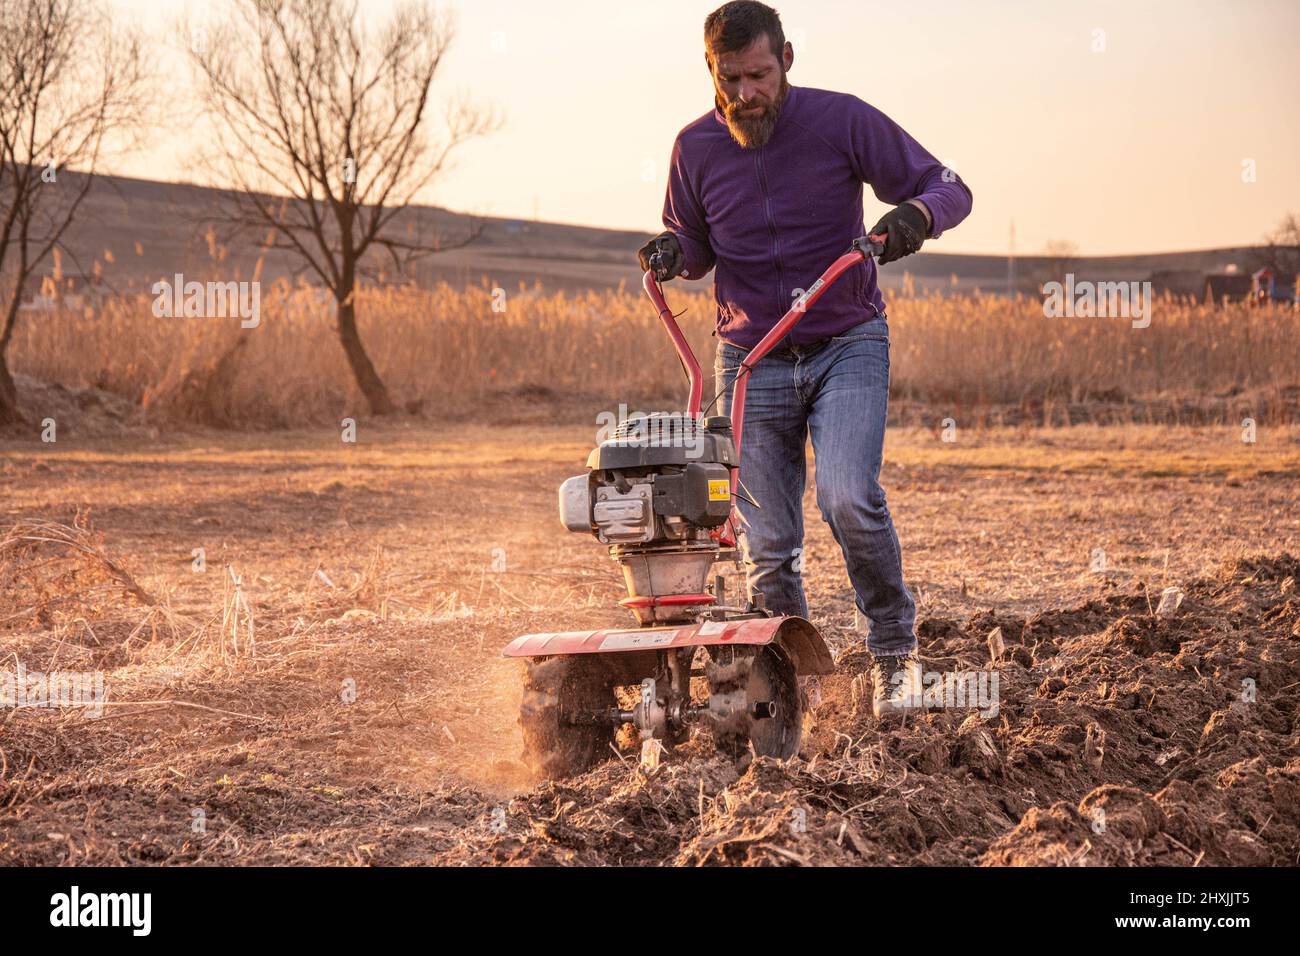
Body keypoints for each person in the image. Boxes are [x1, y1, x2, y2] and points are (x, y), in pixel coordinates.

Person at [637, 0, 973, 718]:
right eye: (731, 80)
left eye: (759, 75)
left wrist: (917, 216)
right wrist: (673, 252)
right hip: (750, 357)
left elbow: (949, 185)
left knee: (847, 497)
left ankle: (894, 658)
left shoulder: (840, 120)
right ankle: (794, 686)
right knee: (768, 541)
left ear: (786, 60)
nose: (746, 94)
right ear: (711, 71)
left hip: (845, 341)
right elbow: (692, 241)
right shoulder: (694, 148)